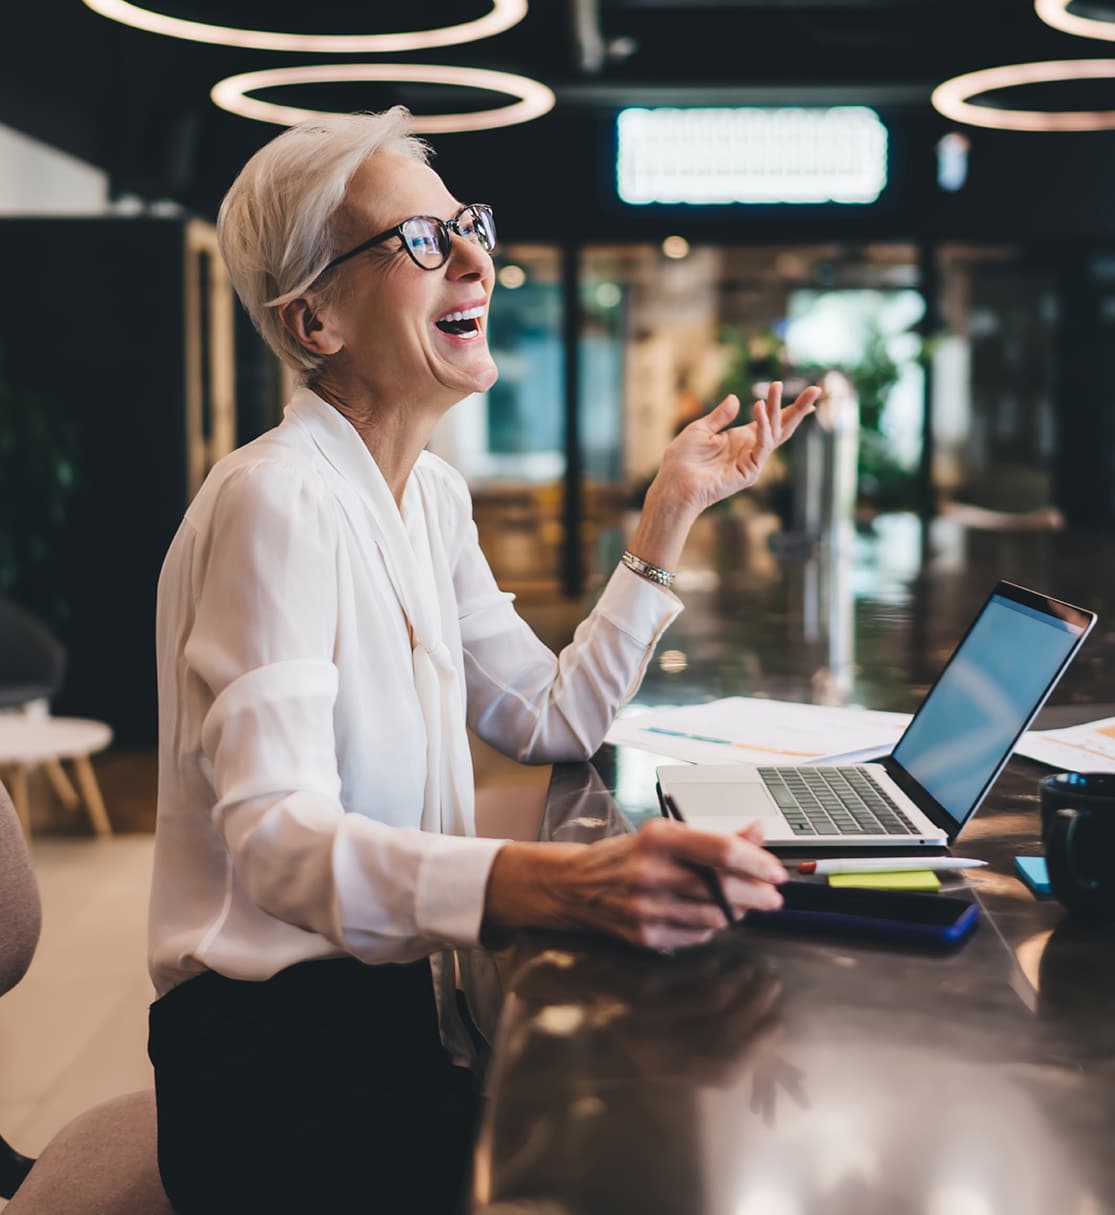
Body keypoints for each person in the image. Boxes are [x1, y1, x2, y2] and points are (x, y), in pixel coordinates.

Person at [146, 106, 819, 1214]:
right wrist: (552, 883)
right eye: (418, 242)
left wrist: (668, 512)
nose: (475, 261)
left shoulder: (428, 496)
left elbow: (549, 717)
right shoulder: (273, 502)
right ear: (312, 318)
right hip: (272, 1066)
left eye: (466, 226)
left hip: (401, 1012)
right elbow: (273, 843)